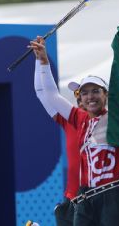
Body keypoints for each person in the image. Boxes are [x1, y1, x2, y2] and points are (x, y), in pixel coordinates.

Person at [29, 34, 119, 226]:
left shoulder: (117, 120)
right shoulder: (77, 118)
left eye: (96, 91)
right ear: (79, 99)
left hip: (113, 196)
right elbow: (49, 94)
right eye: (84, 93)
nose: (90, 97)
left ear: (106, 94)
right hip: (85, 199)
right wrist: (43, 60)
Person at [34, 67, 83, 226]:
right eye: (79, 94)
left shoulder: (110, 124)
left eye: (90, 92)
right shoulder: (70, 121)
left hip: (99, 202)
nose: (83, 98)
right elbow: (42, 92)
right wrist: (40, 61)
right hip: (72, 201)